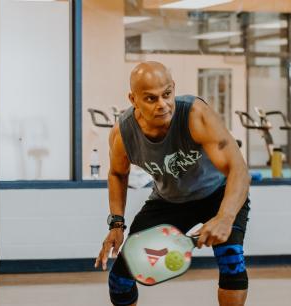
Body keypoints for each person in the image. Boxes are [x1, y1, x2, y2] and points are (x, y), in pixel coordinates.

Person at [94, 61, 251, 306]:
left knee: (231, 261)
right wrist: (116, 224)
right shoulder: (123, 134)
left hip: (218, 193)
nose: (163, 105)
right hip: (168, 200)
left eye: (167, 94)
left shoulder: (195, 115)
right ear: (133, 99)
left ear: (174, 88)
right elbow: (117, 173)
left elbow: (239, 169)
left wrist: (225, 217)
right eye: (150, 99)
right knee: (120, 280)